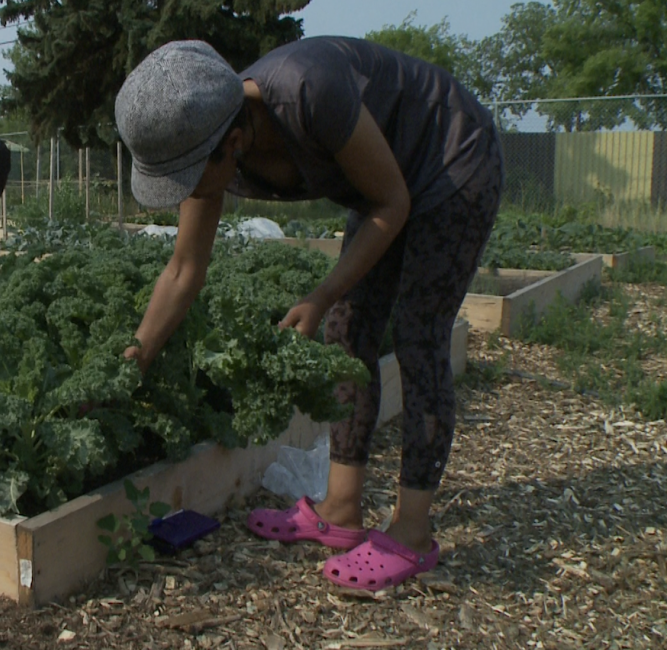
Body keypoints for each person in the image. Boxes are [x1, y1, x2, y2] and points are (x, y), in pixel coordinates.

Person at [115, 38, 502, 591]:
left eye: (186, 179)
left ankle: (413, 533)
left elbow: (392, 202)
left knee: (419, 335)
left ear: (233, 141)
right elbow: (182, 271)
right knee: (350, 331)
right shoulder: (204, 134)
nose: (184, 193)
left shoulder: (307, 91)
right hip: (385, 184)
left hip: (451, 155)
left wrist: (320, 295)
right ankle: (342, 510)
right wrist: (137, 357)